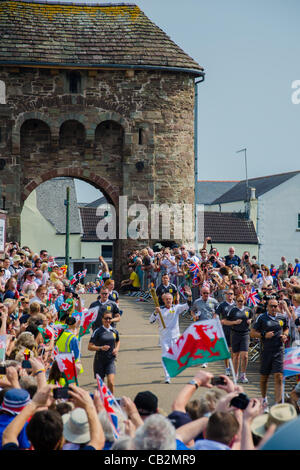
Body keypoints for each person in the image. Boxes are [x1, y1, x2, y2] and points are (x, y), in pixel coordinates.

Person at [250, 297, 289, 408]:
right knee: (264, 377)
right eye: (271, 306)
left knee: (279, 376)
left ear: (278, 306)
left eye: (275, 306)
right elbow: (252, 333)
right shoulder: (262, 318)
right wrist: (263, 335)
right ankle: (264, 399)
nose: (273, 308)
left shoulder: (282, 317)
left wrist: (285, 335)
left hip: (279, 351)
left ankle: (277, 403)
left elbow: (286, 328)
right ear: (267, 307)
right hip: (266, 351)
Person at [149, 287, 192, 383]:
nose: (168, 301)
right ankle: (167, 376)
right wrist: (155, 312)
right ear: (163, 300)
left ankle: (172, 369)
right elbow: (151, 321)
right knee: (166, 356)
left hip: (175, 337)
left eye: (170, 299)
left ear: (172, 299)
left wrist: (189, 296)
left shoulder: (176, 308)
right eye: (166, 299)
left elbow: (188, 305)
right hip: (165, 338)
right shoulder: (160, 310)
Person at [222, 295, 253, 383]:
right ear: (236, 301)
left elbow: (252, 317)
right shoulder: (233, 310)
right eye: (238, 301)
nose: (240, 302)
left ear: (244, 301)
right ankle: (235, 374)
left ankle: (243, 375)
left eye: (241, 301)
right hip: (235, 334)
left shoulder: (248, 310)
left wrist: (250, 320)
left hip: (245, 334)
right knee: (236, 356)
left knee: (245, 356)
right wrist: (234, 322)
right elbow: (225, 321)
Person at [88, 311, 120, 395]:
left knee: (111, 382)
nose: (108, 320)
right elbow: (90, 347)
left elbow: (118, 341)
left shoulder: (114, 331)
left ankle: (112, 402)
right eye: (106, 318)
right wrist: (100, 348)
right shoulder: (98, 331)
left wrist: (116, 349)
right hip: (99, 361)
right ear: (102, 319)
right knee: (100, 386)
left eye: (110, 318)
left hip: (110, 360)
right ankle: (102, 402)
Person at [216, 289, 236, 376]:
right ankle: (227, 368)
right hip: (226, 329)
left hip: (236, 330)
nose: (230, 295)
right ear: (226, 295)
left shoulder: (236, 305)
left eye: (231, 294)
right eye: (228, 294)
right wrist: (217, 319)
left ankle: (233, 367)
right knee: (227, 349)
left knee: (234, 350)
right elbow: (216, 314)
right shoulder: (222, 305)